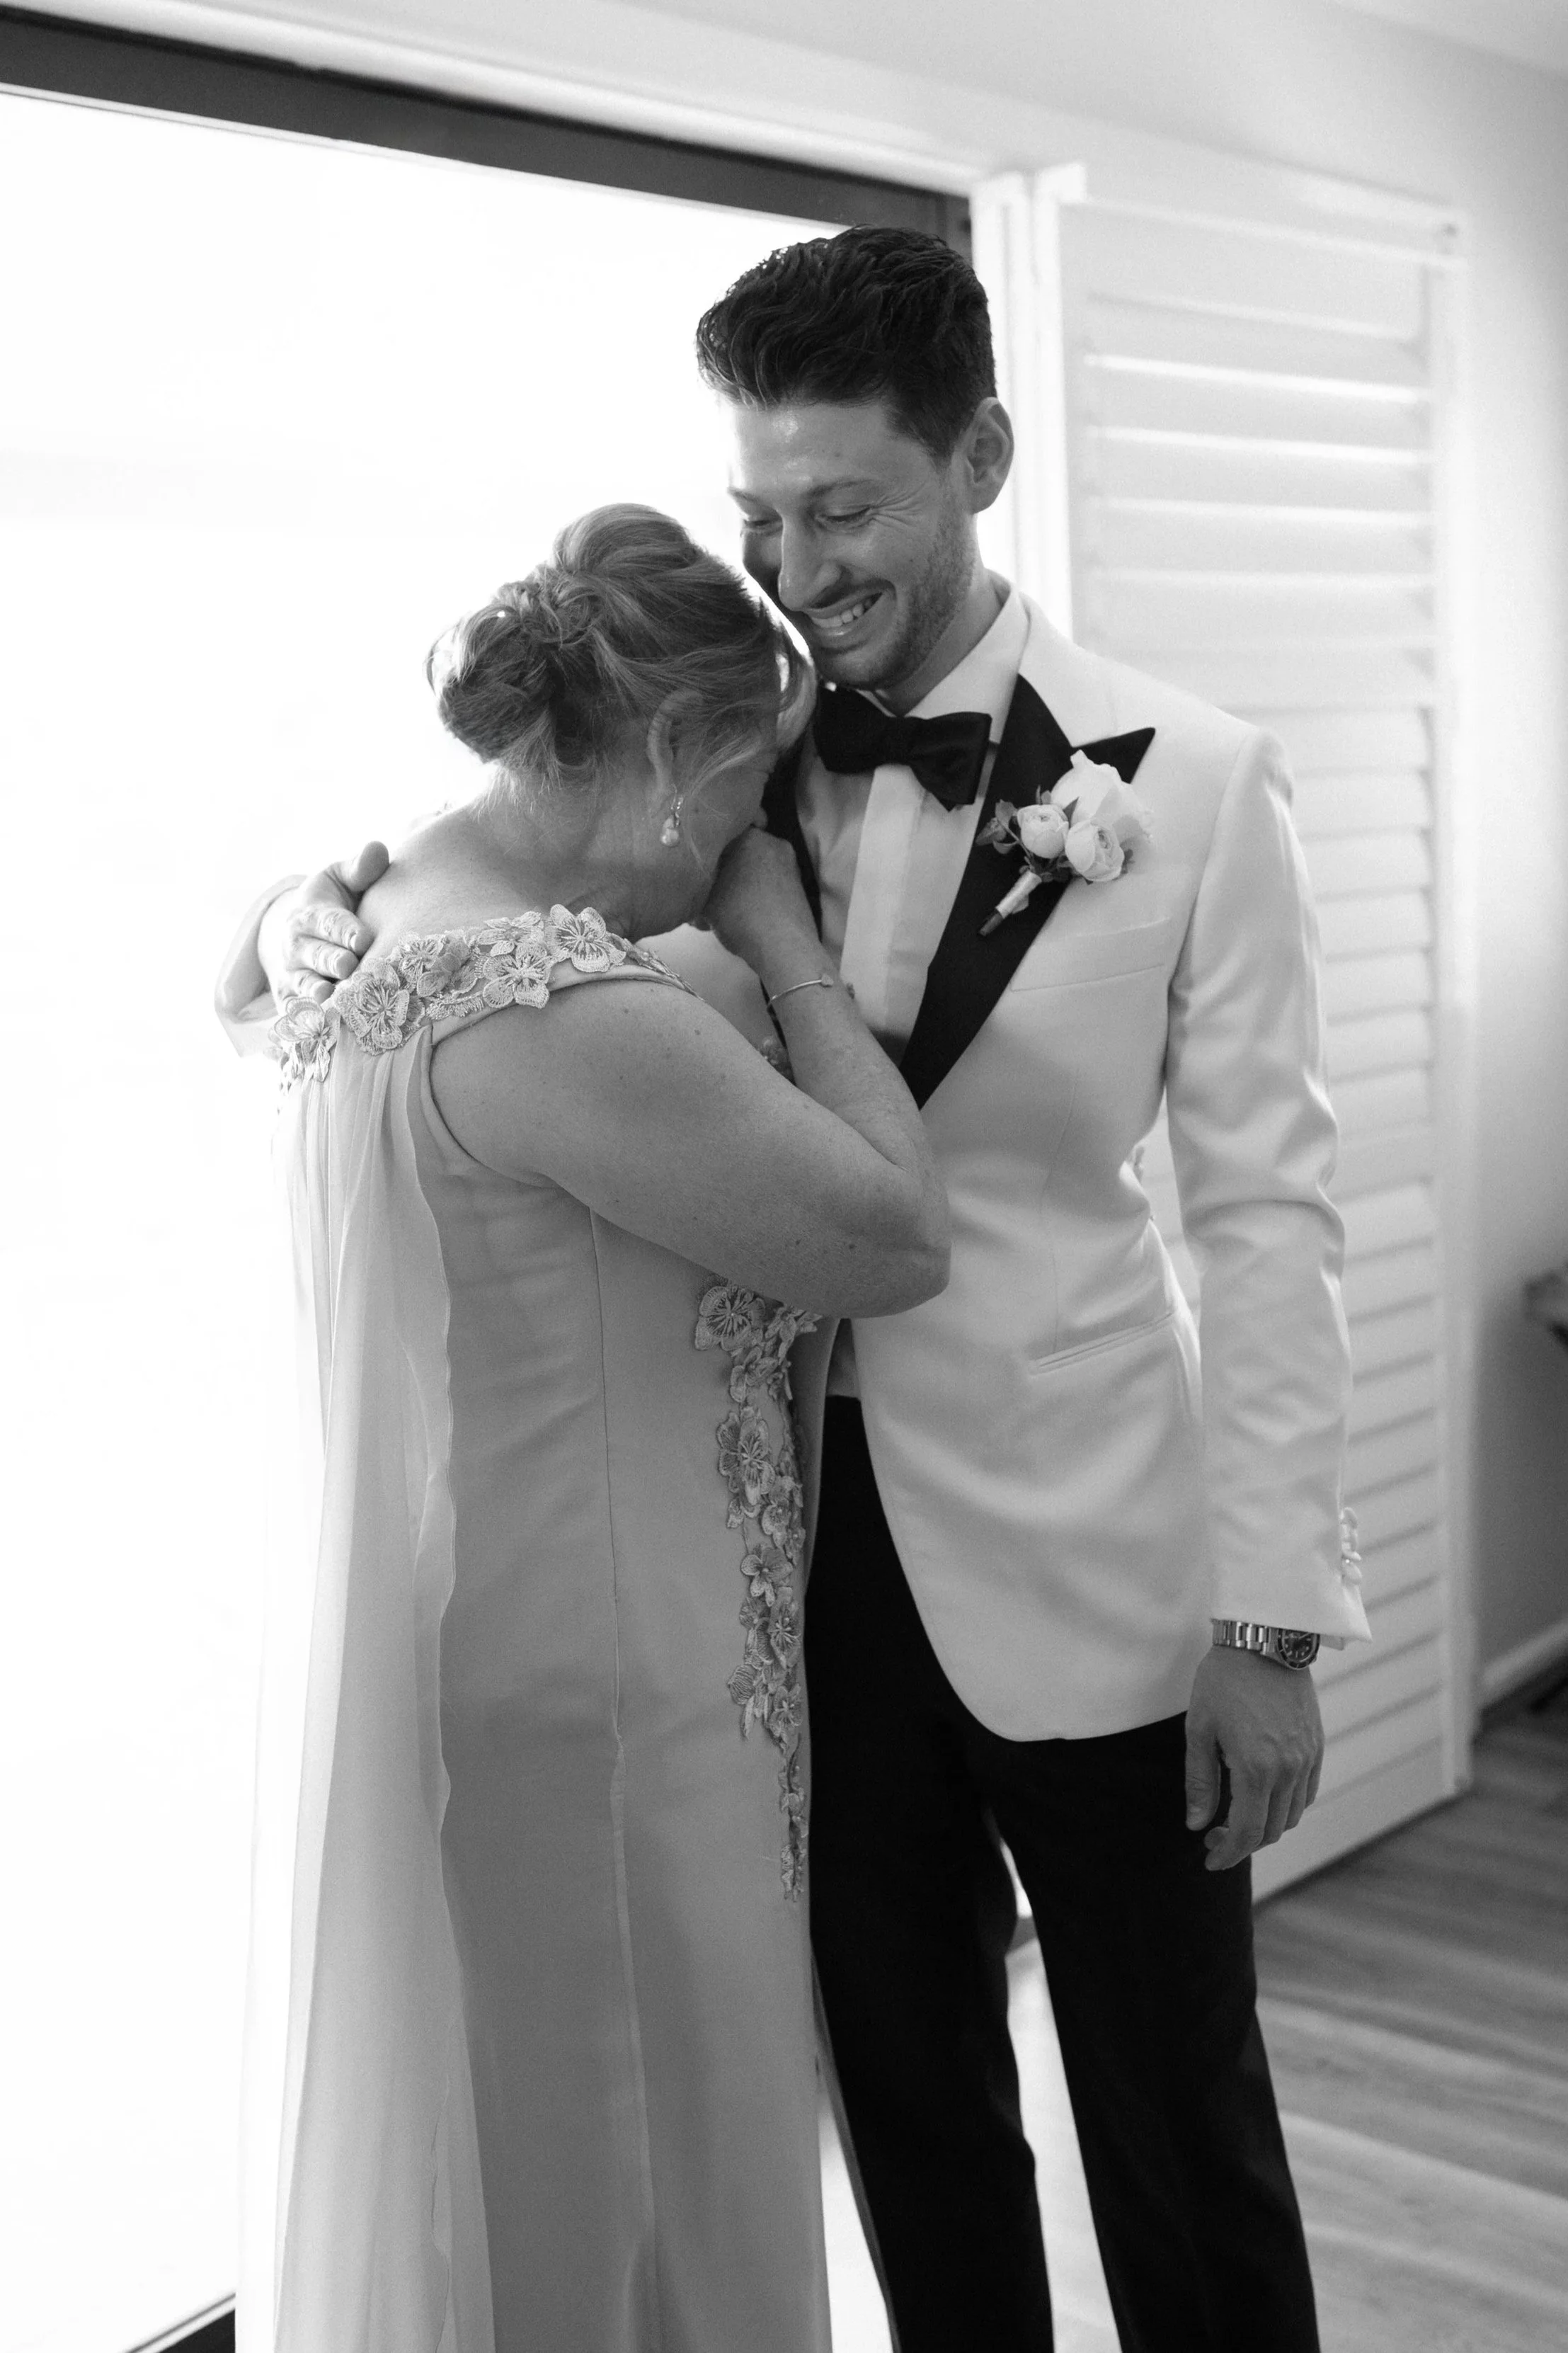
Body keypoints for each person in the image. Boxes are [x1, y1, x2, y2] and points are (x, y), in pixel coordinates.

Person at [235, 229, 1373, 2353]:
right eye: (761, 511)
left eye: (843, 508)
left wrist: (1270, 1617)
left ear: (982, 461)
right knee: (910, 2118)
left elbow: (1267, 1217)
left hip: (1100, 1559)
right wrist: (327, 897)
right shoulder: (723, 730)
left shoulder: (1188, 778)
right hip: (780, 1575)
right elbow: (509, 842)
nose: (798, 561)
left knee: (1177, 2119)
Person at [218, 503, 949, 2353]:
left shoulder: (362, 929)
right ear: (671, 753)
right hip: (615, 1703)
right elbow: (889, 1237)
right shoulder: (565, 1012)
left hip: (508, 1651)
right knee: (643, 2164)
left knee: (547, 2150)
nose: (730, 846)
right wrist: (783, 945)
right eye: (737, 799)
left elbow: (238, 980)